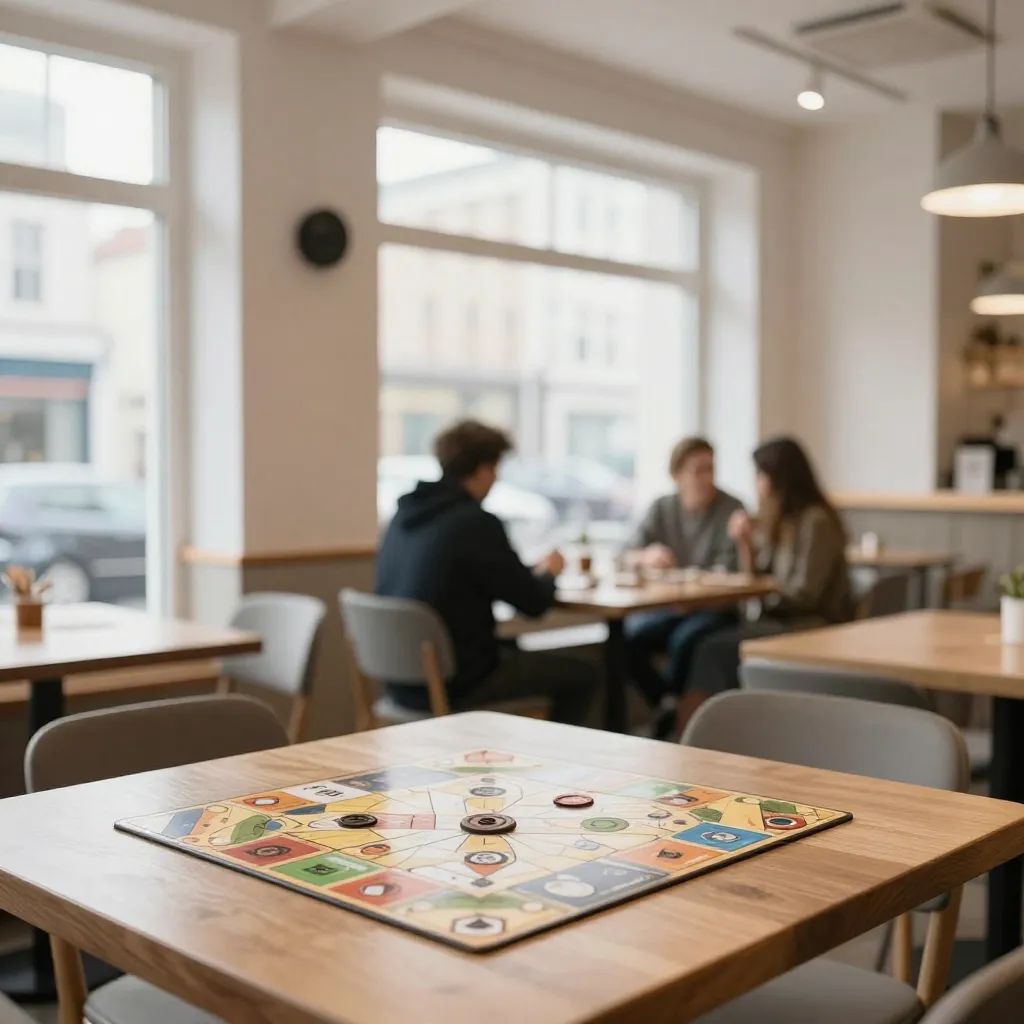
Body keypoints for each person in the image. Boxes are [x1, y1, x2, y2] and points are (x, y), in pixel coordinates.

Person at [376, 419, 597, 725]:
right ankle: (559, 754)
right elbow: (533, 603)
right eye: (495, 469)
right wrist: (550, 572)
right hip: (458, 682)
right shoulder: (475, 522)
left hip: (398, 683)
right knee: (585, 674)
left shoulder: (403, 516)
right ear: (483, 470)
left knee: (513, 649)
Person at [676, 435, 853, 733]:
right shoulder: (781, 521)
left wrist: (766, 594)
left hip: (811, 626)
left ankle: (689, 735)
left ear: (778, 478)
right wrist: (745, 545)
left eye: (760, 475)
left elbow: (805, 595)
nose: (756, 484)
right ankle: (711, 730)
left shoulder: (816, 522)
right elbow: (758, 577)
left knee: (712, 648)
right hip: (780, 620)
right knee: (702, 639)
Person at [622, 437, 745, 724]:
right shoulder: (662, 508)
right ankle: (666, 702)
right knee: (627, 640)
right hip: (670, 607)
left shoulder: (731, 509)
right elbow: (625, 553)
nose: (706, 478)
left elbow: (734, 572)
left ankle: (671, 711)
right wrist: (646, 556)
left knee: (685, 639)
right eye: (697, 470)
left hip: (715, 608)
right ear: (677, 475)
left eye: (710, 469)